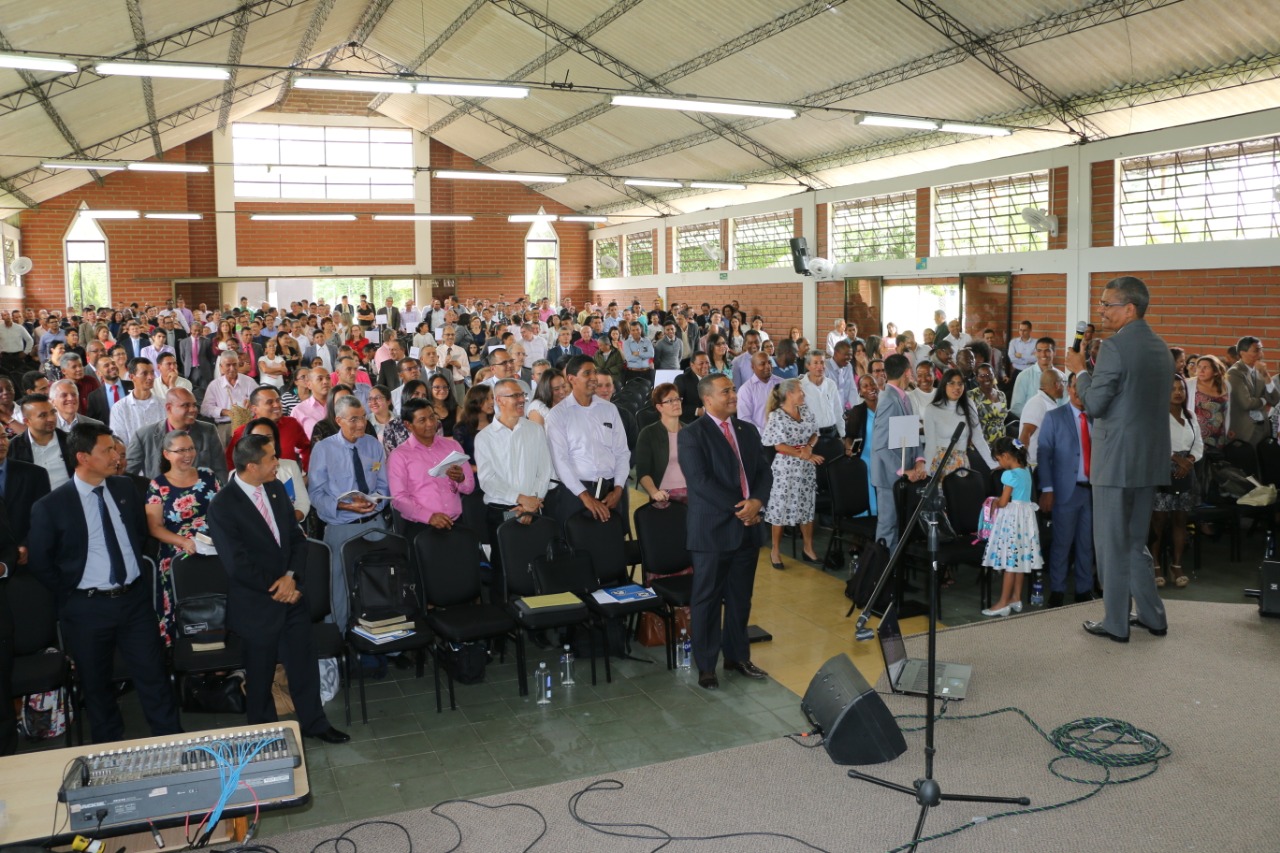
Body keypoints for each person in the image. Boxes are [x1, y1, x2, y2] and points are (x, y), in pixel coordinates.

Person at [28, 423, 183, 743]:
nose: (116, 456)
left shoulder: (126, 489)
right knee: (96, 685)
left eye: (115, 449)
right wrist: (74, 593)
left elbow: (138, 538)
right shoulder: (51, 506)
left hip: (133, 601)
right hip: (86, 607)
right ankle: (109, 751)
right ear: (83, 457)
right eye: (107, 450)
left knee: (153, 677)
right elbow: (41, 563)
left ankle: (172, 742)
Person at [207, 434, 349, 744]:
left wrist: (292, 578)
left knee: (303, 667)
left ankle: (315, 723)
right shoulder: (222, 505)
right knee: (259, 677)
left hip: (293, 595)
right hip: (257, 604)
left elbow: (297, 540)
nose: (278, 463)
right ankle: (264, 736)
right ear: (251, 465)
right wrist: (278, 587)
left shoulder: (273, 489)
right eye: (272, 458)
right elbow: (237, 564)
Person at [1068, 276, 1171, 643]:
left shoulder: (1114, 348)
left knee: (1112, 544)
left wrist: (1080, 370)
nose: (1101, 310)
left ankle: (1116, 623)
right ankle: (1153, 615)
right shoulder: (1161, 347)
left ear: (1129, 308)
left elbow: (1094, 405)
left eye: (1107, 304)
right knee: (1133, 542)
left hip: (1115, 460)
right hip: (1148, 460)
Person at [678, 374, 771, 690]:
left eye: (733, 389)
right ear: (707, 399)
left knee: (740, 597)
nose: (734, 395)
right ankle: (706, 665)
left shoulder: (747, 430)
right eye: (727, 391)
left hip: (747, 527)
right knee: (706, 599)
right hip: (713, 530)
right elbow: (700, 482)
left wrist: (757, 501)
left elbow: (763, 472)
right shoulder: (692, 435)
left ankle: (737, 655)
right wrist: (742, 508)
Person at [309, 395, 390, 632]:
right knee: (339, 589)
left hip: (374, 524)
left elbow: (384, 484)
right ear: (339, 420)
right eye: (354, 419)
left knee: (379, 582)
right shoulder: (324, 449)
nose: (361, 424)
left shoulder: (373, 445)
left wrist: (376, 502)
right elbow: (315, 494)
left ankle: (384, 641)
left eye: (363, 417)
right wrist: (343, 506)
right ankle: (340, 639)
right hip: (341, 528)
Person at [475, 378, 553, 599]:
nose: (521, 400)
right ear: (499, 400)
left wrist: (532, 503)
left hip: (534, 509)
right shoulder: (485, 438)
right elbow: (488, 480)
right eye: (515, 396)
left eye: (522, 396)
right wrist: (520, 500)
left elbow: (544, 471)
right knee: (505, 572)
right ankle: (505, 622)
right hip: (501, 512)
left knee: (537, 568)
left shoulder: (534, 431)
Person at [144, 429, 220, 646]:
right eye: (180, 450)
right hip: (176, 554)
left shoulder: (208, 476)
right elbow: (154, 527)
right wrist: (183, 542)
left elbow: (224, 511)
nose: (188, 454)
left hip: (212, 551)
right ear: (167, 454)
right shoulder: (158, 486)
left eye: (190, 448)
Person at [545, 356, 631, 526]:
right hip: (576, 494)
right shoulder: (557, 415)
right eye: (587, 373)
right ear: (571, 379)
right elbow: (560, 462)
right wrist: (585, 497)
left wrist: (618, 488)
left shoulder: (609, 409)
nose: (594, 377)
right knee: (580, 548)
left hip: (611, 492)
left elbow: (622, 452)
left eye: (594, 372)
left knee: (612, 547)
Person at [1036, 372, 1096, 607]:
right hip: (1064, 490)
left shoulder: (1097, 417)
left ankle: (1084, 589)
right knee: (1062, 542)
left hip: (1092, 490)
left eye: (1085, 388)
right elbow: (1044, 453)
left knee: (1086, 542)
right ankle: (1058, 589)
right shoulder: (1054, 417)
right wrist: (1047, 488)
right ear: (1069, 389)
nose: (1080, 392)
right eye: (1075, 387)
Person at [388, 398, 474, 539]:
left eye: (432, 417)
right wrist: (429, 517)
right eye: (422, 420)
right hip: (422, 528)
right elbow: (399, 498)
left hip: (456, 523)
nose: (430, 424)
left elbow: (469, 488)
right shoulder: (399, 456)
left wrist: (461, 479)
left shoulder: (452, 447)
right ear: (408, 425)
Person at [761, 379, 823, 568]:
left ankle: (808, 548)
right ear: (789, 394)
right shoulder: (776, 416)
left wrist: (809, 448)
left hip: (806, 466)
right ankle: (775, 550)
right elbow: (778, 445)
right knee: (780, 507)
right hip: (785, 468)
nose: (803, 394)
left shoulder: (804, 410)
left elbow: (815, 433)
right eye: (799, 391)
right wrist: (803, 454)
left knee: (806, 506)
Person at [1150, 374, 1203, 589]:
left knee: (1181, 521)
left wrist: (1188, 460)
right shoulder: (1156, 416)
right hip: (1163, 470)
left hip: (1186, 472)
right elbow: (1153, 443)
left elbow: (1198, 444)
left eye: (1181, 388)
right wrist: (1175, 458)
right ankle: (1154, 565)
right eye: (1172, 389)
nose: (1178, 392)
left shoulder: (1190, 416)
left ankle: (1177, 565)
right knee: (1158, 522)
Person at [980, 437, 1042, 616]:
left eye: (999, 459)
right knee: (1019, 560)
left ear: (1006, 455)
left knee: (1009, 562)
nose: (999, 463)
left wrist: (994, 502)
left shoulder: (1009, 475)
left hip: (1011, 521)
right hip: (1024, 520)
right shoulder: (1026, 471)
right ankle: (1016, 598)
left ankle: (1003, 602)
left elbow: (1004, 501)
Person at [872, 354, 927, 550]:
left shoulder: (904, 398)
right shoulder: (888, 399)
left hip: (904, 475)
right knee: (888, 528)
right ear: (906, 373)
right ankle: (882, 576)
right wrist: (903, 469)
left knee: (900, 528)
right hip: (889, 478)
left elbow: (912, 433)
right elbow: (879, 444)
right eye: (910, 371)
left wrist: (920, 459)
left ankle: (894, 574)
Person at [128, 388, 227, 482]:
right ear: (169, 408)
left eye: (194, 405)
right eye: (186, 405)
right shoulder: (143, 435)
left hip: (200, 497)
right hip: (159, 497)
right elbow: (129, 475)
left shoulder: (208, 431)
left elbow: (220, 471)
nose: (193, 409)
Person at [923, 369, 996, 477]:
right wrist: (927, 471)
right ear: (944, 385)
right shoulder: (931, 409)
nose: (957, 387)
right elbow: (930, 444)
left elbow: (978, 438)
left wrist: (993, 464)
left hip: (961, 464)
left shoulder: (969, 405)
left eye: (960, 384)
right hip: (939, 465)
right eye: (951, 383)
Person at [635, 383, 687, 506]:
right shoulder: (648, 434)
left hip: (693, 493)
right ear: (659, 407)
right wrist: (654, 492)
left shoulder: (691, 431)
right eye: (669, 401)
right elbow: (643, 472)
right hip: (665, 494)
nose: (676, 403)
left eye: (677, 399)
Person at [10, 394, 74, 489]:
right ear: (27, 421)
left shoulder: (71, 441)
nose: (51, 418)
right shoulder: (13, 448)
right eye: (43, 415)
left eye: (53, 412)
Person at [1226, 335, 1277, 445]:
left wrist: (1266, 376)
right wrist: (1264, 400)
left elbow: (1275, 399)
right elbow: (1246, 403)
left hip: (1264, 427)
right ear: (1242, 353)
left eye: (1261, 350)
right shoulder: (1235, 373)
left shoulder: (1259, 370)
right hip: (1245, 431)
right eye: (1256, 351)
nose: (1261, 355)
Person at [201, 352, 257, 445]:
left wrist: (252, 403)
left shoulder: (249, 382)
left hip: (246, 425)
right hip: (225, 427)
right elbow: (205, 409)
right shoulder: (214, 385)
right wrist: (224, 412)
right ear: (221, 366)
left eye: (235, 364)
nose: (232, 368)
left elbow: (259, 400)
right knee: (224, 457)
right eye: (228, 365)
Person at [1010, 337, 1066, 417]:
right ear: (1035, 353)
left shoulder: (1063, 377)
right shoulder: (1024, 376)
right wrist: (1036, 418)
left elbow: (1065, 405)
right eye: (1039, 351)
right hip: (1031, 425)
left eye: (1047, 350)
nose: (1043, 354)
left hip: (1056, 424)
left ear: (1054, 352)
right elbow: (1016, 407)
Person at [1019, 369, 1063, 467]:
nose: (1064, 386)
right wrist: (1020, 464)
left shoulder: (1048, 402)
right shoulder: (1037, 404)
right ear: (1057, 385)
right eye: (1063, 382)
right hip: (1035, 465)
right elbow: (1025, 434)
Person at [737, 351, 780, 433]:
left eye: (769, 362)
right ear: (753, 367)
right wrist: (765, 434)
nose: (768, 366)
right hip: (760, 439)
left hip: (783, 438)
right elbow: (744, 420)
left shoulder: (781, 383)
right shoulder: (746, 390)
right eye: (762, 364)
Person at [968, 362, 1008, 447]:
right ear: (977, 378)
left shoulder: (1001, 395)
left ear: (994, 375)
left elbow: (1003, 420)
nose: (986, 378)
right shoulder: (971, 395)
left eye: (989, 374)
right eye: (982, 376)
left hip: (1000, 443)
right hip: (981, 444)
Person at [367, 384, 410, 454]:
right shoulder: (365, 423)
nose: (373, 402)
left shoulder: (401, 422)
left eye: (378, 398)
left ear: (388, 401)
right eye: (370, 399)